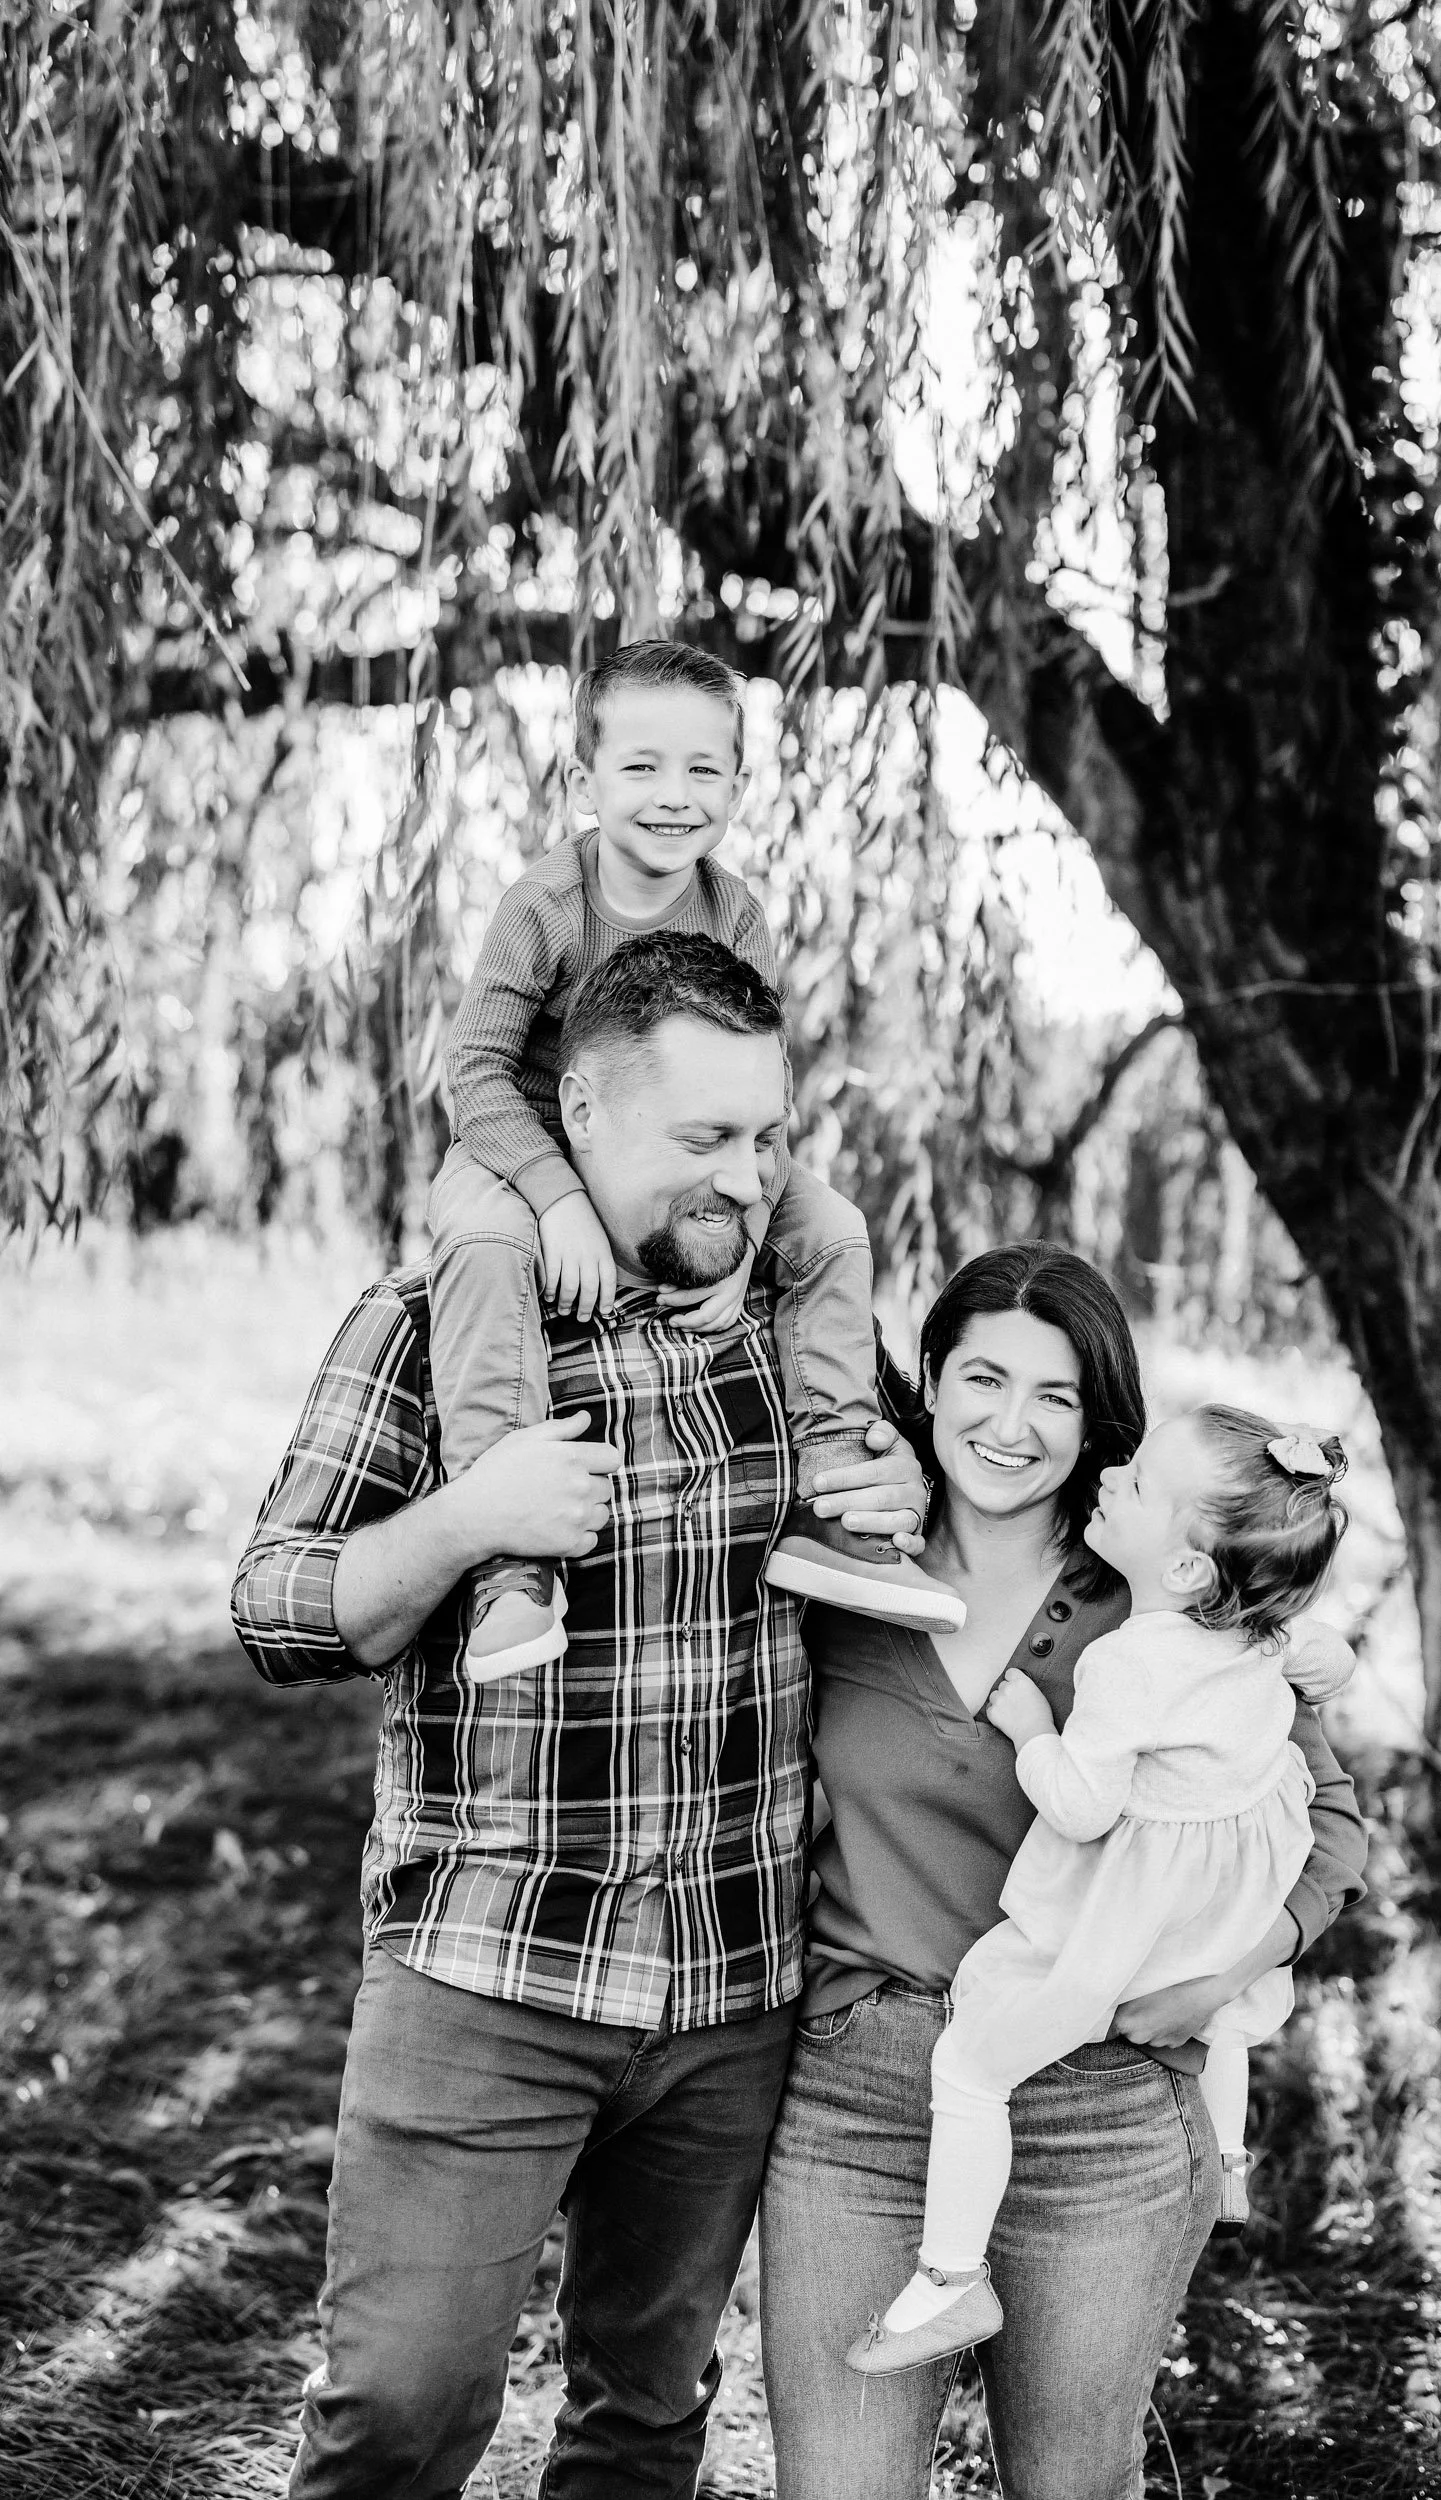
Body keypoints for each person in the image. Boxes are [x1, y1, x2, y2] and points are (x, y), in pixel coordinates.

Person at [230, 932, 930, 2500]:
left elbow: (926, 1545)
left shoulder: (802, 1331)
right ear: (583, 1114)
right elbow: (273, 1606)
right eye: (704, 1138)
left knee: (644, 2419)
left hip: (735, 1986)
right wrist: (466, 1519)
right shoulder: (433, 1319)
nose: (745, 1179)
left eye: (767, 1137)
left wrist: (901, 1491)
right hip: (488, 1967)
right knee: (397, 2414)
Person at [758, 1244, 1369, 2500]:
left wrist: (1225, 1979)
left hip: (1100, 2102)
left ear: (1097, 1424)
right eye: (982, 1378)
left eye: (1055, 1396)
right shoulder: (837, 1568)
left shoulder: (1169, 1601)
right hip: (858, 2100)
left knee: (1070, 2482)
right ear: (929, 1380)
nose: (1010, 1425)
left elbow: (1330, 1829)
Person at [429, 636, 961, 1677]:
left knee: (834, 1232)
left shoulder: (733, 912)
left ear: (736, 786)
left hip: (692, 1155)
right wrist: (555, 1199)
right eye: (641, 766)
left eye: (703, 769)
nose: (674, 795)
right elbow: (476, 1071)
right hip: (522, 1142)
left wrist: (746, 1235)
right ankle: (509, 1561)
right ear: (583, 783)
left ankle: (832, 1492)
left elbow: (763, 1091)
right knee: (484, 1249)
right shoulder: (543, 906)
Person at [852, 1407, 1353, 2374]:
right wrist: (1331, 1652)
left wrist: (1031, 1730)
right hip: (1229, 1896)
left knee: (971, 2066)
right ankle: (1228, 2162)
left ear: (1186, 1570)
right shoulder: (1258, 1635)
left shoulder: (1125, 1660)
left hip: (1130, 1912)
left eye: (1137, 1483)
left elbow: (1082, 1809)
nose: (1112, 1476)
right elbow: (1313, 1652)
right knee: (1225, 2008)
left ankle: (949, 2279)